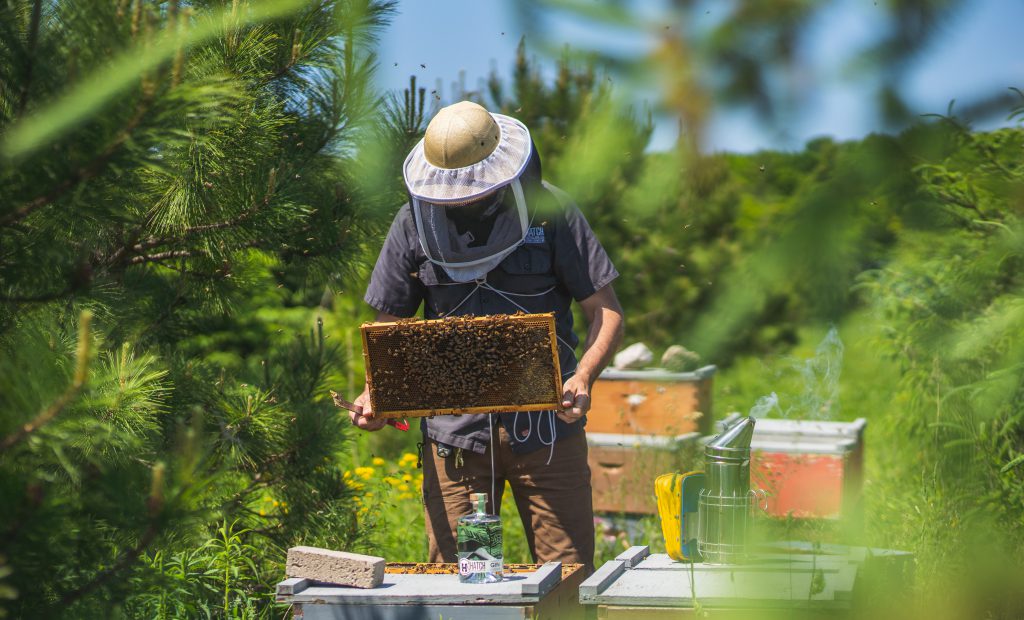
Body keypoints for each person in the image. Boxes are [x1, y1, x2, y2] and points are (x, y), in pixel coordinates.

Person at [349, 101, 624, 570]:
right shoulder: (411, 223)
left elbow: (606, 311)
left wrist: (584, 378)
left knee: (568, 580)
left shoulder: (551, 212)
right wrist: (377, 390)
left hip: (547, 431)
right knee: (466, 585)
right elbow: (388, 329)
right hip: (456, 441)